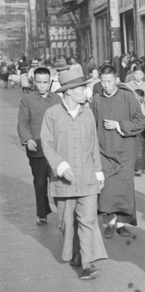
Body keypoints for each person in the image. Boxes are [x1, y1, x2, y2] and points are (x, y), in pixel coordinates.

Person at [40, 68, 108, 280]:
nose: (85, 91)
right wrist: (59, 166)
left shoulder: (88, 113)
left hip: (87, 178)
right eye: (81, 88)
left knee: (88, 220)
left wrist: (98, 172)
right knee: (67, 224)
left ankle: (88, 263)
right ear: (68, 92)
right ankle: (77, 253)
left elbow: (93, 145)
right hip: (64, 182)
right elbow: (47, 144)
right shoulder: (51, 115)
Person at [91, 65, 145, 239]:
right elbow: (91, 125)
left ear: (116, 80)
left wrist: (118, 125)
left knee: (124, 188)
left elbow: (140, 121)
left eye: (109, 81)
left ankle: (121, 223)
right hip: (104, 149)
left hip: (125, 151)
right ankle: (109, 223)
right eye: (103, 81)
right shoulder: (96, 100)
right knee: (106, 188)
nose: (106, 85)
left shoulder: (128, 97)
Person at [17, 67, 62, 225]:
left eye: (45, 82)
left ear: (50, 82)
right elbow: (23, 122)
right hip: (37, 149)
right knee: (40, 183)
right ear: (34, 82)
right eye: (39, 82)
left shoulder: (57, 99)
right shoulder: (27, 100)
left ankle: (63, 213)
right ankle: (42, 213)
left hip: (56, 149)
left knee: (59, 182)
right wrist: (28, 139)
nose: (42, 86)